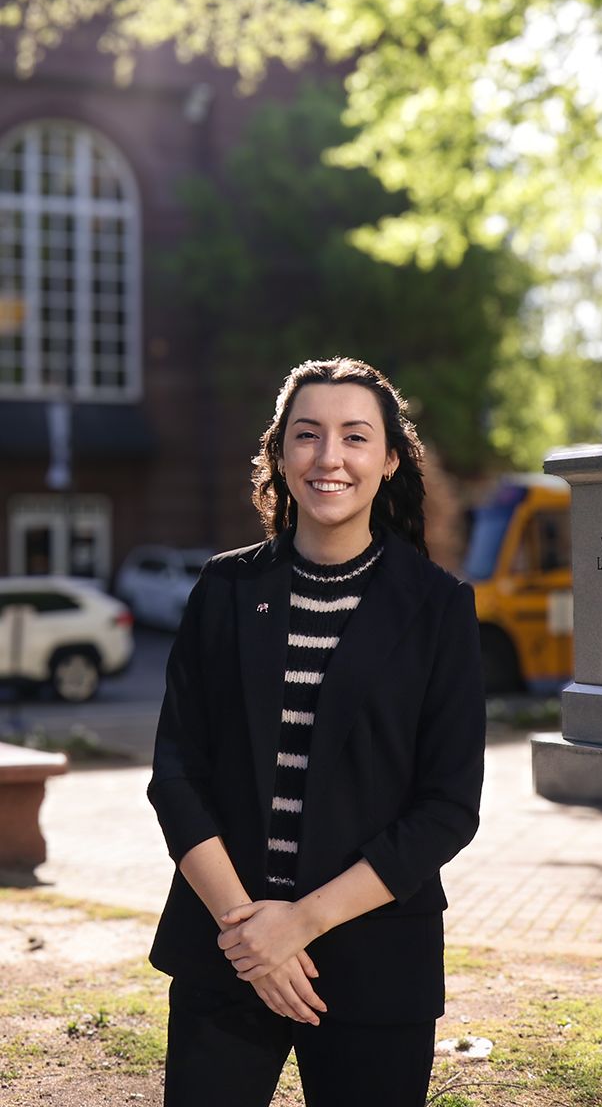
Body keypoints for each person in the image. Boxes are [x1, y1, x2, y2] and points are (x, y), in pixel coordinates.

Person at [147, 356, 485, 1107]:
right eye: (307, 435)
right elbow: (176, 775)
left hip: (375, 962)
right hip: (225, 953)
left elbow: (447, 809)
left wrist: (296, 925)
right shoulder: (225, 590)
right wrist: (250, 936)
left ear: (389, 459)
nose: (329, 457)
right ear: (278, 453)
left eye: (355, 437)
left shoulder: (438, 608)